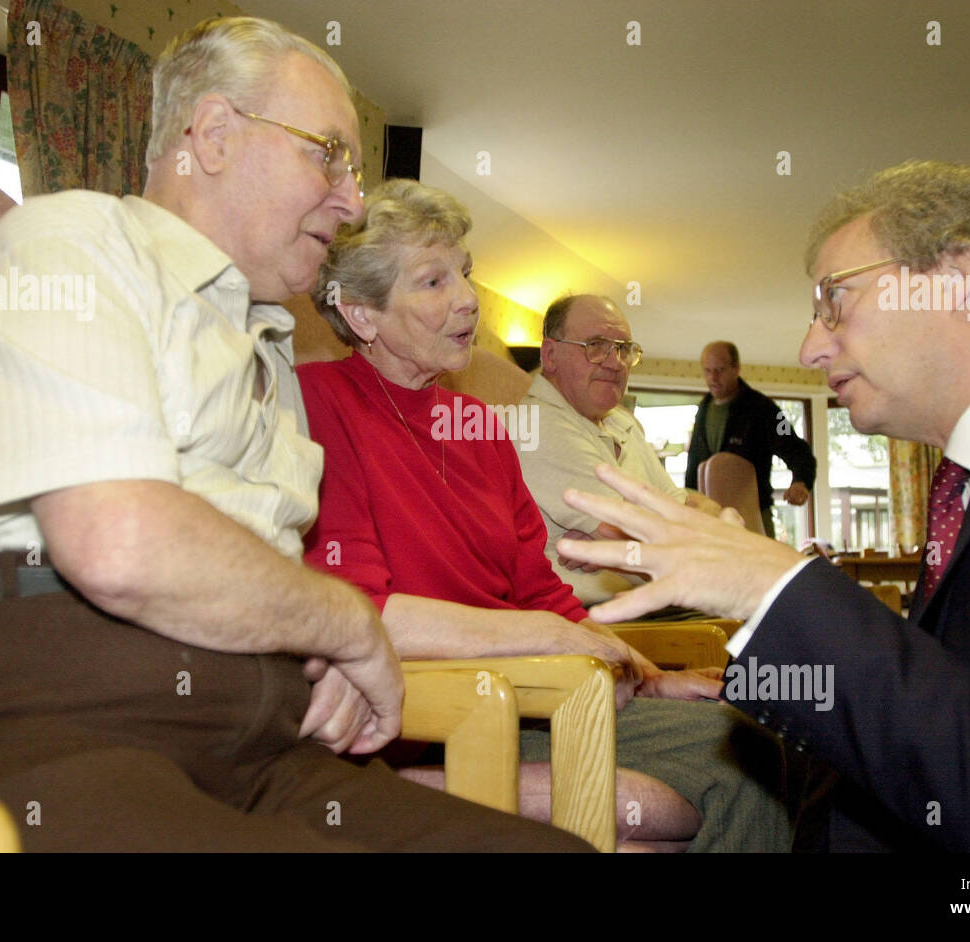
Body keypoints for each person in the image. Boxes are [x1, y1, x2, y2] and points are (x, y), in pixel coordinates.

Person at [0, 17, 591, 852]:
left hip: (260, 753)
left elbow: (258, 583)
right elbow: (119, 543)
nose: (350, 201)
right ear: (217, 135)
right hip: (16, 718)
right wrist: (342, 626)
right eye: (329, 154)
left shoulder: (266, 354)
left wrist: (310, 653)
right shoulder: (73, 244)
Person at [557, 160, 970, 851]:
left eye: (834, 299)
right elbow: (961, 720)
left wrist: (775, 586)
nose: (809, 346)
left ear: (953, 279)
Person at [298, 178, 791, 852]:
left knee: (761, 739)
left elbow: (539, 590)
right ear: (361, 313)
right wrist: (551, 639)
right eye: (434, 282)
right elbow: (360, 611)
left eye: (465, 275)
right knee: (732, 776)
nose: (468, 300)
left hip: (531, 695)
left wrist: (644, 676)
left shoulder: (479, 424)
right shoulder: (318, 403)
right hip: (421, 718)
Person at [515, 294, 717, 605]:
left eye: (624, 349)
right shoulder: (534, 424)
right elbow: (640, 536)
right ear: (550, 354)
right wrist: (625, 542)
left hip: (660, 610)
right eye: (595, 345)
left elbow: (684, 516)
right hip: (587, 625)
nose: (615, 363)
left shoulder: (622, 422)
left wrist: (624, 548)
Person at [684, 341, 816, 538]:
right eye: (707, 371)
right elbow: (694, 465)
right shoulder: (703, 409)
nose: (713, 377)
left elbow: (798, 450)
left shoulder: (763, 409)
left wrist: (801, 481)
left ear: (736, 368)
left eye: (720, 370)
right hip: (708, 520)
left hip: (752, 517)